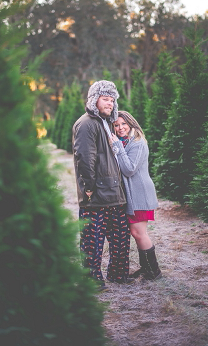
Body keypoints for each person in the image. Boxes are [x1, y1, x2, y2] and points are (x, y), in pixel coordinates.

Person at [72, 80, 130, 291]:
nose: (111, 104)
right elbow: (84, 158)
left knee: (121, 236)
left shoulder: (106, 123)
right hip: (96, 195)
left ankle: (118, 274)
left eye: (113, 100)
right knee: (92, 240)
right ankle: (92, 280)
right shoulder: (87, 123)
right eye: (106, 99)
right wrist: (88, 187)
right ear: (94, 99)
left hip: (114, 192)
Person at [110, 111, 162, 281]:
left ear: (131, 124)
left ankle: (154, 272)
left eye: (123, 124)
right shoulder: (125, 143)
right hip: (131, 195)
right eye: (116, 125)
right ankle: (147, 269)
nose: (120, 128)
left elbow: (129, 169)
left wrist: (117, 147)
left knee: (139, 233)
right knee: (136, 232)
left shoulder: (137, 143)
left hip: (140, 194)